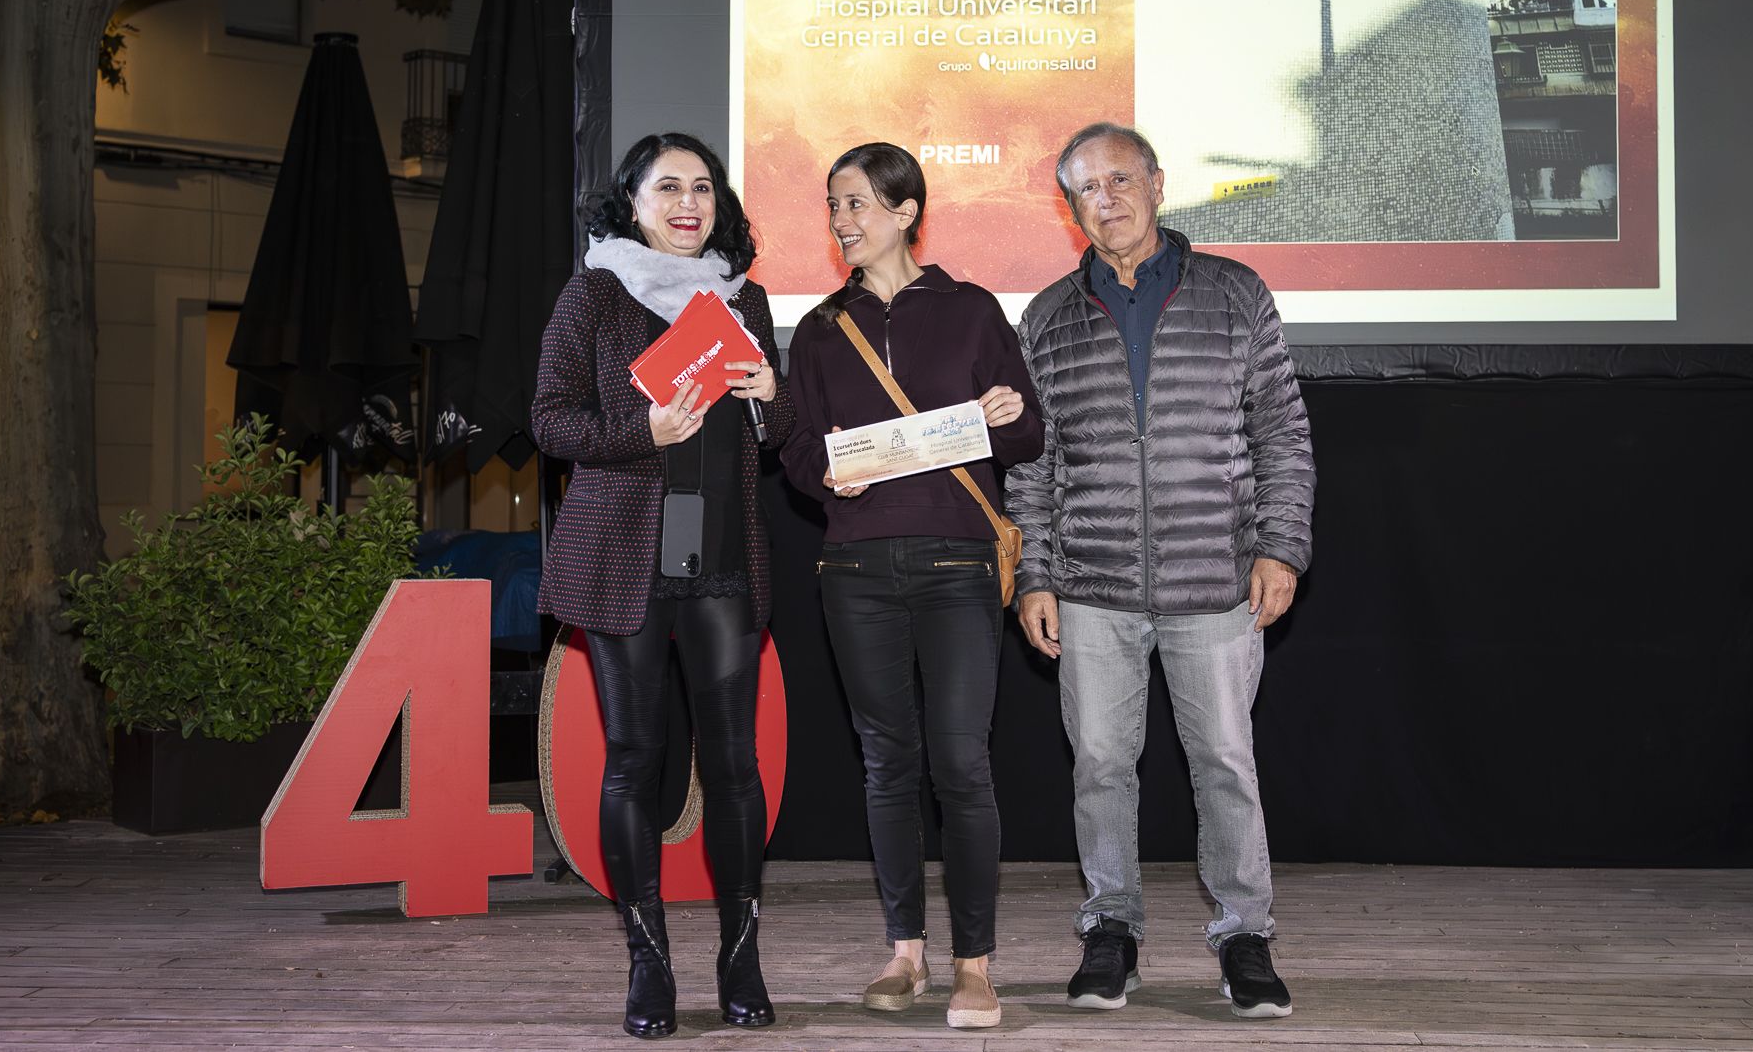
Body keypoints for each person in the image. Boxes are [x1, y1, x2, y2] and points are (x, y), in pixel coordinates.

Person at [1005, 122, 1316, 1020]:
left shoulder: (1235, 293)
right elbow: (1033, 464)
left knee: (1224, 759)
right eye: (1086, 189)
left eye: (1120, 179)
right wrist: (1035, 576)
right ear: (1072, 210)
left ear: (1157, 183)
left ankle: (1244, 935)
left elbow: (1283, 434)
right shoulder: (1048, 317)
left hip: (1216, 580)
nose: (1107, 199)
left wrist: (1280, 545)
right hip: (1091, 587)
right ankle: (1111, 929)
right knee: (1101, 763)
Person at [533, 132, 793, 1039]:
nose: (690, 203)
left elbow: (775, 431)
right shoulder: (594, 294)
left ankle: (741, 954)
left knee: (733, 765)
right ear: (631, 202)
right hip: (621, 563)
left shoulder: (745, 298)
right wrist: (641, 428)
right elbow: (550, 419)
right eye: (668, 187)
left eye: (704, 188)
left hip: (721, 555)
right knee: (634, 761)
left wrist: (771, 393)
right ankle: (648, 962)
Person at [780, 142, 1043, 1030]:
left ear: (904, 210)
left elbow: (1028, 430)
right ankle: (905, 952)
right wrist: (824, 475)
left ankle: (975, 964)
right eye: (832, 206)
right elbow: (795, 445)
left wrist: (1007, 416)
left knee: (962, 764)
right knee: (888, 763)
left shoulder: (971, 310)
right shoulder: (818, 329)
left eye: (855, 203)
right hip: (855, 569)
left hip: (958, 565)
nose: (840, 221)